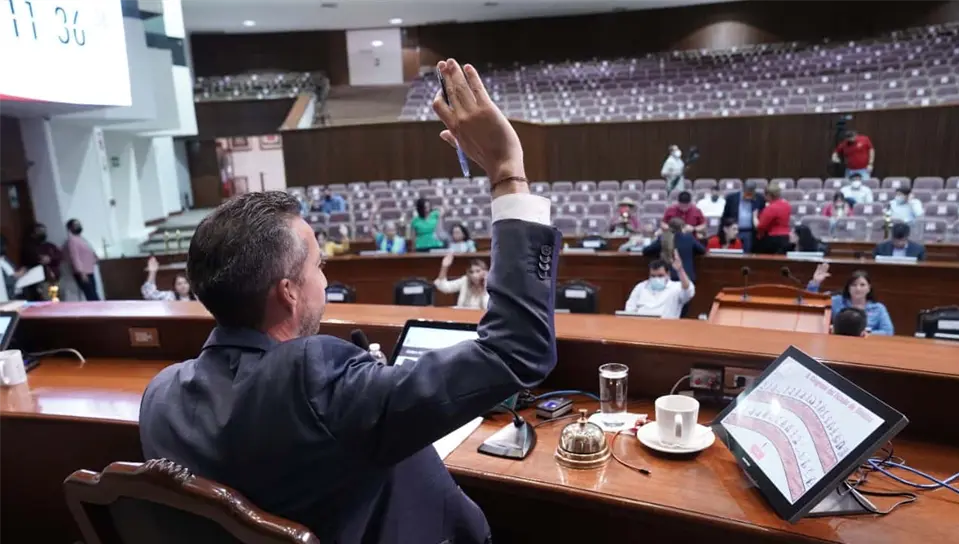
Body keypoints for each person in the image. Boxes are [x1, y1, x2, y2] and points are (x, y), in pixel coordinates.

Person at [139, 57, 559, 543]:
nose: (325, 275)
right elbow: (518, 347)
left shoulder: (161, 396)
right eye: (317, 265)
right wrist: (508, 173)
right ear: (289, 292)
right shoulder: (317, 382)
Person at [807, 263, 894, 335]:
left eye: (862, 285)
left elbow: (888, 332)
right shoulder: (836, 301)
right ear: (848, 287)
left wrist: (867, 333)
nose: (858, 289)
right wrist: (815, 282)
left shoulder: (878, 308)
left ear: (869, 288)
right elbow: (811, 303)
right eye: (854, 285)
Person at [623, 253, 695, 319]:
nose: (656, 279)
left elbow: (687, 290)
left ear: (668, 274)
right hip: (642, 325)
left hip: (666, 327)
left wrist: (680, 270)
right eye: (653, 276)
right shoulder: (640, 287)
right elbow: (629, 309)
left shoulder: (676, 287)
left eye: (660, 276)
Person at [643, 217, 705, 285]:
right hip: (687, 276)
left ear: (669, 227)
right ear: (682, 227)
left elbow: (646, 251)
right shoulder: (689, 238)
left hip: (669, 277)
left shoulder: (663, 238)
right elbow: (702, 250)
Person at [20, 222, 62, 301]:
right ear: (33, 233)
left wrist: (50, 258)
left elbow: (59, 255)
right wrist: (41, 260)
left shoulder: (49, 245)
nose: (43, 233)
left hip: (55, 279)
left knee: (57, 300)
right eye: (39, 231)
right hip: (43, 281)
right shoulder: (29, 247)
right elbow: (32, 260)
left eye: (44, 231)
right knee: (50, 302)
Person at [722, 179, 766, 253]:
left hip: (750, 233)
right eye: (747, 193)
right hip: (735, 231)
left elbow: (763, 215)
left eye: (751, 193)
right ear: (743, 189)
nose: (749, 195)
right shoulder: (731, 198)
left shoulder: (759, 199)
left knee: (747, 255)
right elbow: (725, 216)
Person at [64, 218, 100, 301]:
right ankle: (97, 312)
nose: (78, 226)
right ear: (70, 228)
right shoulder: (72, 241)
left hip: (89, 270)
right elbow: (75, 257)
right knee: (91, 295)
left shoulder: (82, 239)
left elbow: (88, 251)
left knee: (93, 293)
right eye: (76, 225)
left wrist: (95, 258)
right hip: (83, 273)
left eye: (79, 224)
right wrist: (81, 273)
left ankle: (98, 311)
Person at [755, 182, 792, 254]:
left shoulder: (770, 208)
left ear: (769, 195)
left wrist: (754, 217)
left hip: (773, 240)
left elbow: (760, 227)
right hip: (785, 238)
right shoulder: (787, 205)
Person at [0, 233, 25, 299]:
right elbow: (4, 282)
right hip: (7, 298)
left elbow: (13, 270)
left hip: (17, 293)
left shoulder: (5, 258)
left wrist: (21, 272)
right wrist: (16, 277)